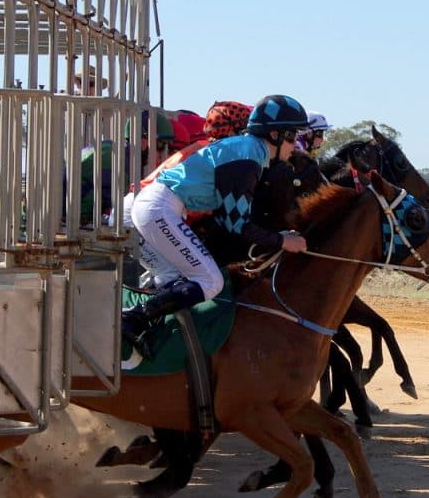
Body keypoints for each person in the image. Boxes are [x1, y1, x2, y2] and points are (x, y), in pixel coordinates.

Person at [121, 94, 310, 357]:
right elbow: (235, 224)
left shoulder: (246, 150)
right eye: (292, 136)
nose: (295, 145)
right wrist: (282, 241)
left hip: (146, 206)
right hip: (156, 208)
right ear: (275, 135)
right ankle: (132, 319)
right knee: (210, 281)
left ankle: (145, 329)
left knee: (175, 279)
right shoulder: (248, 157)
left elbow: (227, 219)